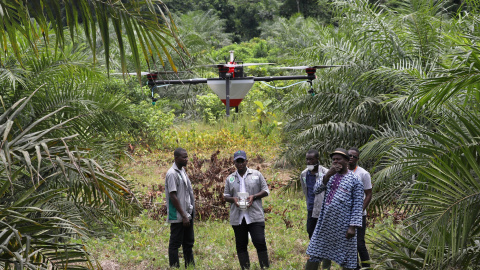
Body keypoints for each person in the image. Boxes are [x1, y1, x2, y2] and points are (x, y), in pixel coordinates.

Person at [305, 148, 364, 270]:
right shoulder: (329, 176)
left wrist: (352, 226)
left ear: (347, 161)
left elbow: (358, 205)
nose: (336, 162)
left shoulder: (355, 180)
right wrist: (327, 175)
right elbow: (316, 190)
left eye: (339, 159)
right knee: (315, 251)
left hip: (344, 226)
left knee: (347, 258)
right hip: (325, 224)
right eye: (334, 160)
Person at [223, 150, 270, 269]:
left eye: (242, 161)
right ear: (234, 163)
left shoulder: (256, 175)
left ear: (246, 161)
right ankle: (245, 267)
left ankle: (265, 267)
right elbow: (225, 196)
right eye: (237, 161)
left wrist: (253, 197)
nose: (240, 164)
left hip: (255, 214)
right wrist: (233, 199)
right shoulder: (230, 178)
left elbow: (266, 191)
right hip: (238, 217)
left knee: (259, 241)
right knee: (241, 244)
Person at [165, 148, 195, 268]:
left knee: (188, 243)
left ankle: (191, 266)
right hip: (178, 216)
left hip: (187, 214)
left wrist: (190, 212)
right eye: (184, 157)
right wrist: (183, 215)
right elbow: (173, 196)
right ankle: (174, 267)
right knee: (175, 244)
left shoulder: (182, 171)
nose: (187, 159)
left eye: (187, 157)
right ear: (176, 158)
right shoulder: (172, 173)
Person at [348, 147, 372, 269]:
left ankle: (366, 266)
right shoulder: (341, 172)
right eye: (349, 155)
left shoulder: (363, 173)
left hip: (359, 214)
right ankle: (354, 266)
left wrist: (359, 210)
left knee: (359, 243)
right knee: (349, 243)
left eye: (354, 156)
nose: (351, 158)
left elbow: (368, 194)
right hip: (345, 214)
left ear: (358, 159)